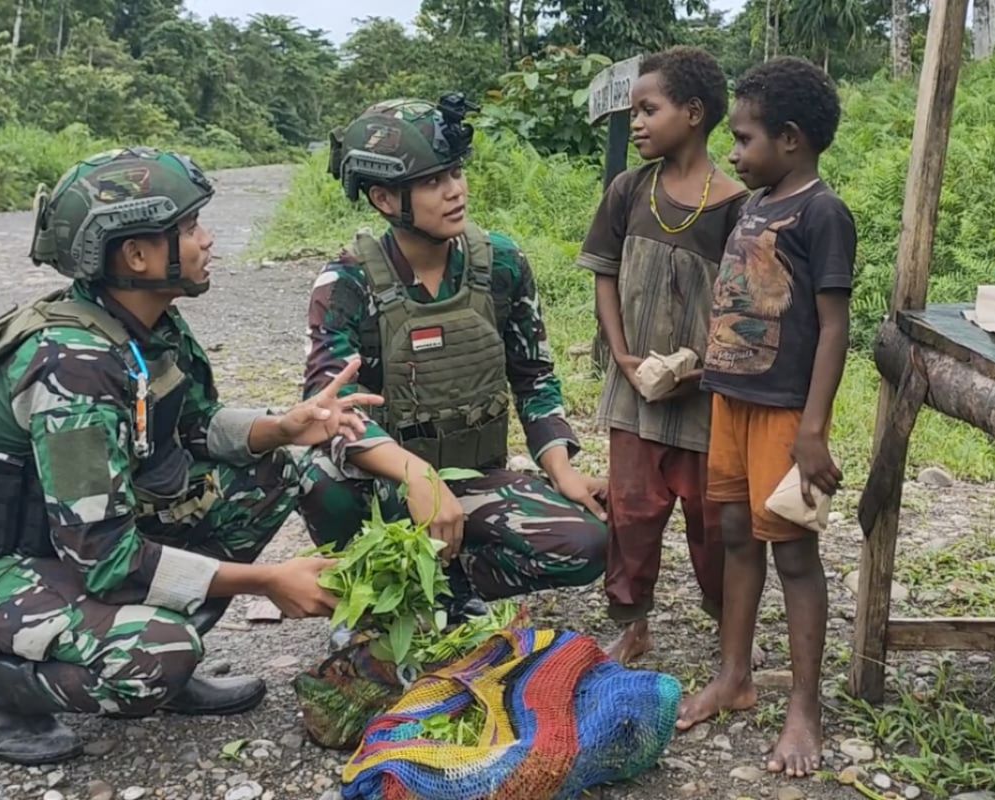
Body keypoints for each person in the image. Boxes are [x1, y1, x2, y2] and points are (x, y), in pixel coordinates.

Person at [0, 147, 380, 765]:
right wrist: (266, 582)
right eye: (191, 228)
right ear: (137, 255)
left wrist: (282, 428)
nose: (208, 240)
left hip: (66, 543)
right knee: (155, 656)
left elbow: (196, 427)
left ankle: (156, 660)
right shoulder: (75, 362)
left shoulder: (150, 324)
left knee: (277, 469)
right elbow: (107, 559)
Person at [297, 95, 608, 608]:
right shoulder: (348, 282)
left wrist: (562, 470)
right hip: (385, 484)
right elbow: (332, 405)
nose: (454, 191)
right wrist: (415, 475)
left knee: (587, 544)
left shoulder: (501, 263)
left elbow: (534, 377)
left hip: (475, 475)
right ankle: (376, 593)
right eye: (431, 181)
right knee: (317, 482)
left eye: (455, 173)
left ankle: (453, 586)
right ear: (383, 199)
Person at [674, 58, 855, 780]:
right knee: (733, 535)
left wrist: (814, 428)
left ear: (790, 139)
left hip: (785, 414)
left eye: (743, 139)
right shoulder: (753, 206)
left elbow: (834, 326)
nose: (733, 153)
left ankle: (804, 708)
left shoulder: (821, 212)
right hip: (730, 402)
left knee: (794, 553)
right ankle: (734, 674)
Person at [576, 46, 748, 665]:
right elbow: (603, 274)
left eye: (650, 109)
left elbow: (745, 306)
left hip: (705, 399)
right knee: (632, 512)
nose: (639, 122)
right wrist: (621, 355)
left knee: (714, 519)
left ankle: (730, 626)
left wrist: (707, 368)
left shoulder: (735, 205)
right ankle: (633, 622)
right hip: (633, 394)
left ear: (694, 113)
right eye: (634, 111)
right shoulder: (629, 190)